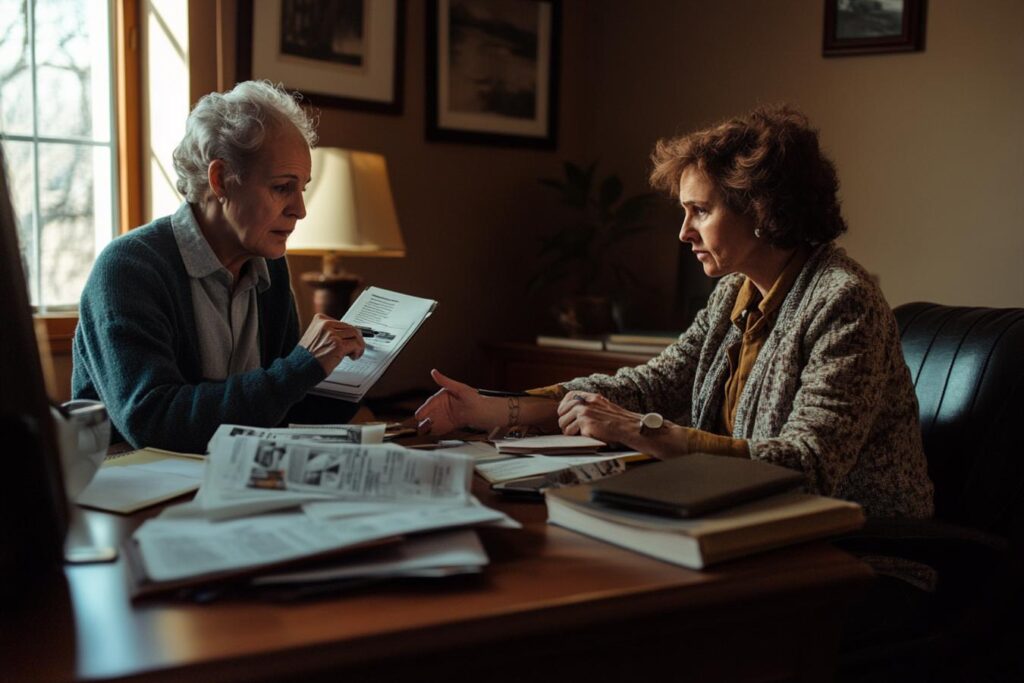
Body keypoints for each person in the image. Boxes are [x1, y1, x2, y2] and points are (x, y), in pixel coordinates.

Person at [416, 105, 933, 519]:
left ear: (761, 208)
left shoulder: (843, 301)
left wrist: (639, 430)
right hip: (742, 519)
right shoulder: (735, 291)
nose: (684, 233)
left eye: (700, 211)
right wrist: (495, 409)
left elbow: (808, 465)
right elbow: (653, 384)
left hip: (852, 551)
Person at [73, 81, 365, 453]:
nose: (299, 210)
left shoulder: (270, 270)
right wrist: (299, 368)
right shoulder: (128, 270)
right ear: (220, 179)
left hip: (228, 485)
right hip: (132, 497)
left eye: (302, 188)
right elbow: (153, 421)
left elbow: (283, 409)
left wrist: (352, 372)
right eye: (281, 188)